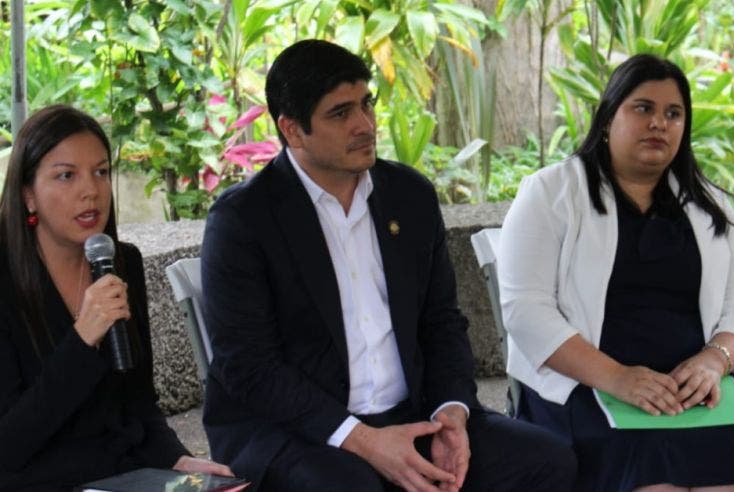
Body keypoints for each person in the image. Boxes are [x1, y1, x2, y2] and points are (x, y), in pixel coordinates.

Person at [200, 39, 576, 492]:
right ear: (292, 130)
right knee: (352, 487)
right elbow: (250, 367)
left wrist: (451, 415)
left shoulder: (409, 196)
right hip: (298, 431)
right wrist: (363, 440)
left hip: (413, 416)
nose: (365, 124)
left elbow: (442, 323)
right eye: (340, 114)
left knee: (547, 460)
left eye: (366, 104)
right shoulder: (244, 220)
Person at [498, 54, 734, 491]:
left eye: (673, 113)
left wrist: (714, 361)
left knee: (733, 474)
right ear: (609, 117)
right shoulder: (551, 192)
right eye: (643, 108)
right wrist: (617, 378)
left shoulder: (711, 205)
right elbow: (525, 311)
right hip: (585, 386)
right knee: (651, 479)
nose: (659, 124)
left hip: (690, 392)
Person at [0, 105, 231, 491]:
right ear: (28, 196)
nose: (90, 190)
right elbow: (9, 443)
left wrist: (176, 458)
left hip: (121, 473)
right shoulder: (4, 280)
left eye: (101, 172)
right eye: (66, 176)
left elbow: (138, 401)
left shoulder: (119, 262)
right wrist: (82, 338)